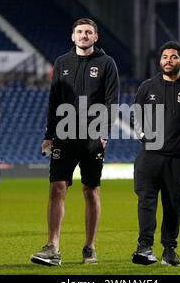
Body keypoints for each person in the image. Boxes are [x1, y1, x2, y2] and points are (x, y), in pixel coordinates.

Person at [31, 18, 120, 266]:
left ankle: (89, 247)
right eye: (79, 32)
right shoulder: (62, 63)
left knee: (91, 191)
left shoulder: (106, 63)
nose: (83, 35)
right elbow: (54, 100)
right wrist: (49, 134)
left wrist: (104, 132)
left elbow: (112, 101)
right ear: (73, 37)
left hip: (92, 137)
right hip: (64, 134)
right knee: (56, 187)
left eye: (88, 32)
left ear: (95, 37)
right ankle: (53, 246)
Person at [132, 41, 180, 266]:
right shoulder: (147, 87)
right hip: (149, 158)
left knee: (173, 205)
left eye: (173, 57)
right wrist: (143, 136)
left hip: (177, 160)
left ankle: (169, 250)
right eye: (164, 57)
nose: (168, 60)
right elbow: (136, 115)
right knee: (146, 202)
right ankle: (144, 247)